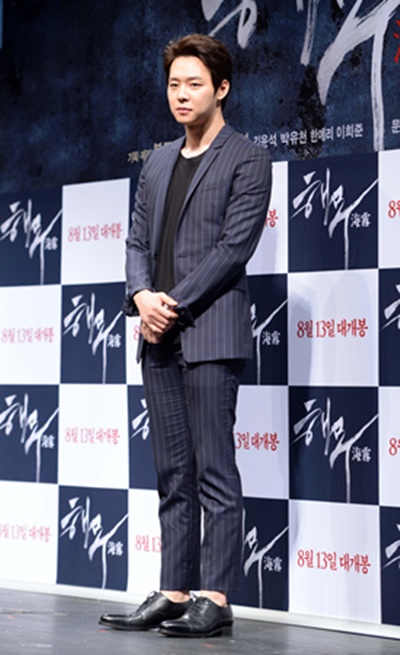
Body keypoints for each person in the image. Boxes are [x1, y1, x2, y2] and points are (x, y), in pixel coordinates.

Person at [99, 32, 272, 638]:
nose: (181, 94)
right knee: (172, 471)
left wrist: (170, 303)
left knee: (213, 469)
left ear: (221, 89)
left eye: (194, 83)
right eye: (174, 83)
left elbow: (233, 249)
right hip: (157, 335)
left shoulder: (247, 157)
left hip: (210, 331)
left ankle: (215, 597)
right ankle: (174, 589)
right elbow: (135, 241)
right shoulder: (156, 162)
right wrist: (141, 297)